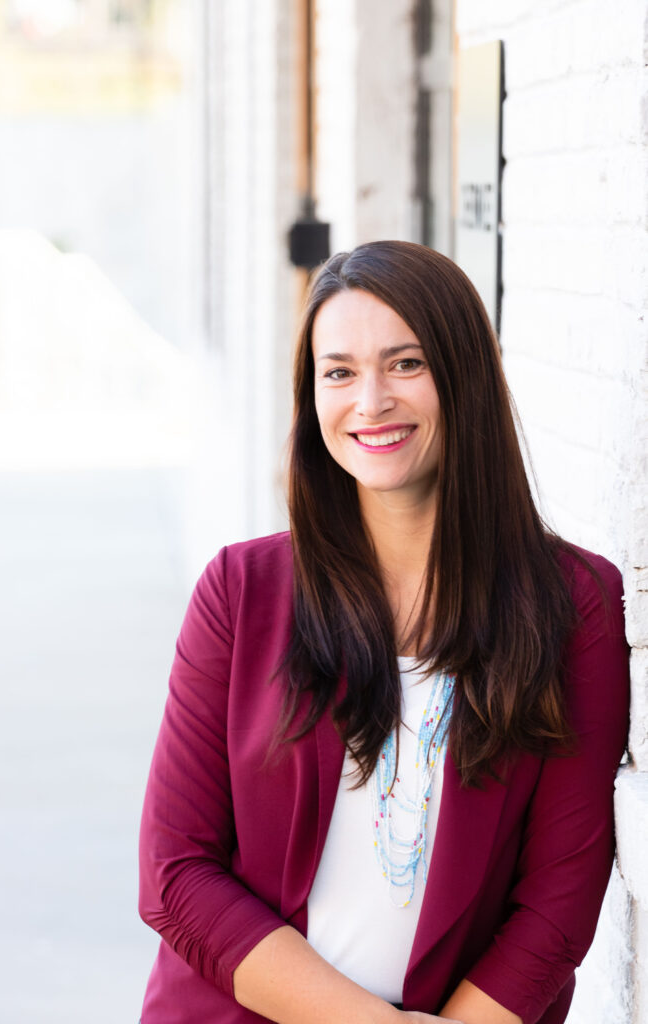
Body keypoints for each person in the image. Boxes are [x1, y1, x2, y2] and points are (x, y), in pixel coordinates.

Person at [138, 241, 629, 1024]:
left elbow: (559, 894)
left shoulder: (573, 604)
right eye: (337, 372)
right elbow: (176, 873)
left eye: (405, 364)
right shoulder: (241, 593)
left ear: (464, 375)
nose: (369, 400)